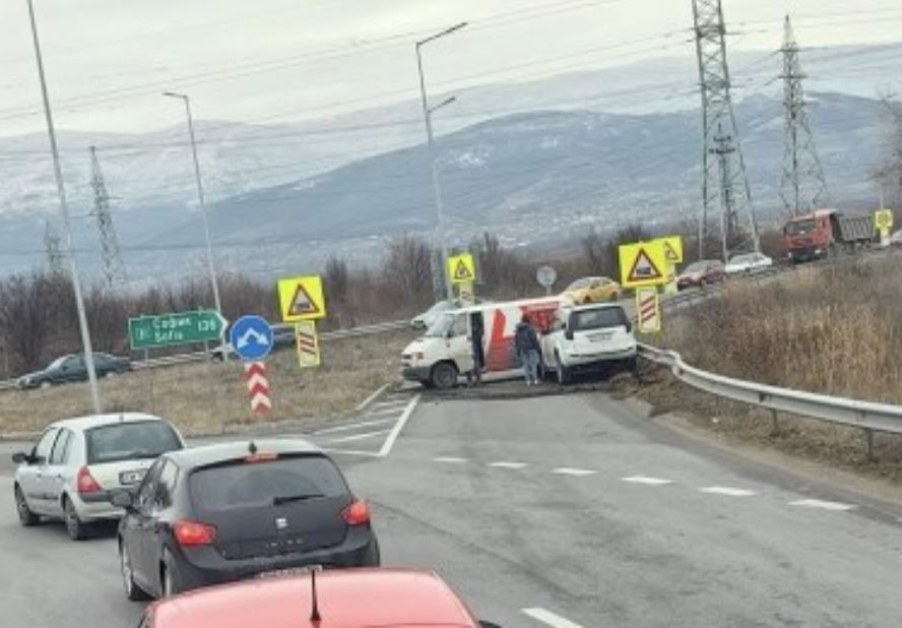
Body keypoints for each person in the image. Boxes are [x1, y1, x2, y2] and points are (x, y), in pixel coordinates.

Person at [514, 313, 542, 386]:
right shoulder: (530, 328)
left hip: (522, 349)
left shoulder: (518, 329)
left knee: (525, 365)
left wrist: (517, 350)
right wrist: (538, 348)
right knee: (533, 364)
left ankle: (528, 381)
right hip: (531, 348)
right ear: (528, 320)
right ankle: (535, 380)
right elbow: (534, 339)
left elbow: (516, 340)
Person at [467, 312, 485, 387]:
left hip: (473, 344)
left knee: (472, 362)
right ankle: (476, 380)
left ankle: (473, 381)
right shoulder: (477, 317)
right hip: (475, 343)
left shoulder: (472, 318)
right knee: (473, 362)